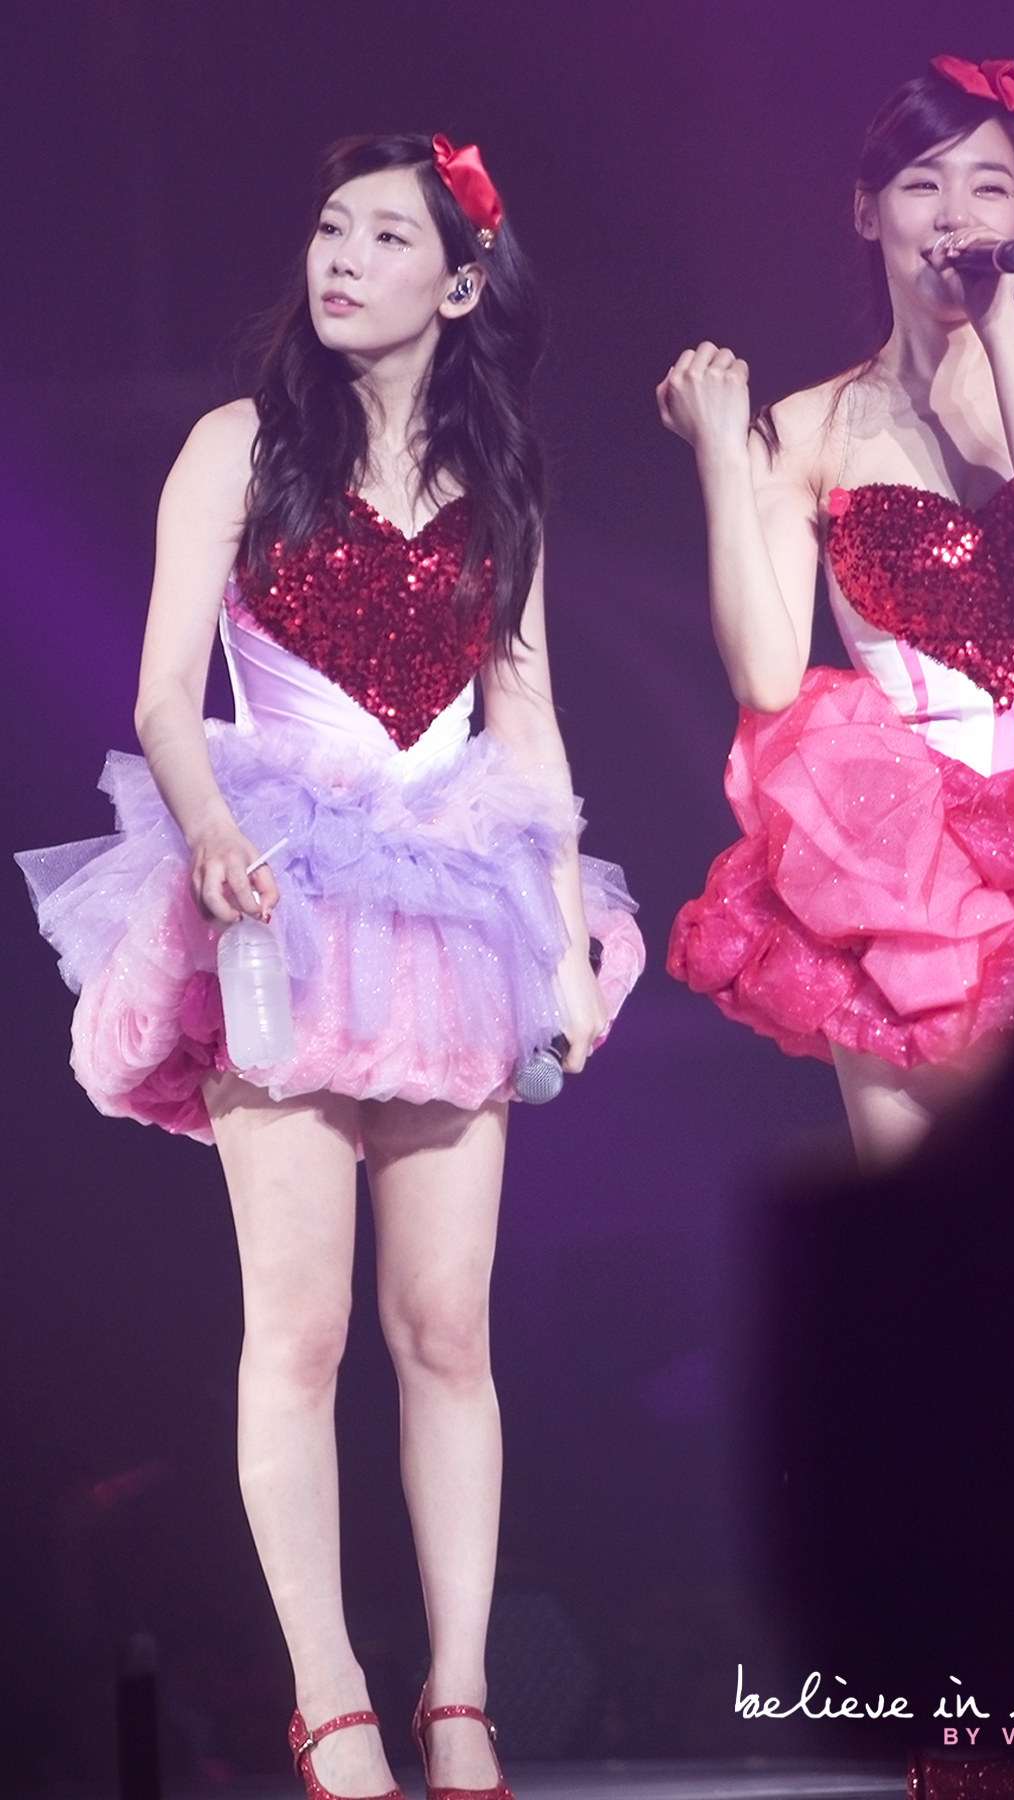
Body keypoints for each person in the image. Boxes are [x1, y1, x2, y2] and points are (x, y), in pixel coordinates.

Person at [17, 134, 643, 1800]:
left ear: (460, 285)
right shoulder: (238, 445)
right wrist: (213, 831)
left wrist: (564, 939)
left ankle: (463, 1698)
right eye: (328, 227)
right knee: (296, 1331)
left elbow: (526, 723)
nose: (342, 257)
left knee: (446, 1329)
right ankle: (329, 1694)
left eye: (384, 235)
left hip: (448, 899)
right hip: (278, 885)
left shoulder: (499, 480)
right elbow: (163, 697)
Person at [658, 55, 1014, 1167]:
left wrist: (999, 331)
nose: (955, 213)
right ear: (869, 211)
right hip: (907, 868)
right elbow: (765, 676)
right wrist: (722, 457)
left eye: (988, 187)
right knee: (931, 1219)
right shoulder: (805, 430)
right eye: (922, 183)